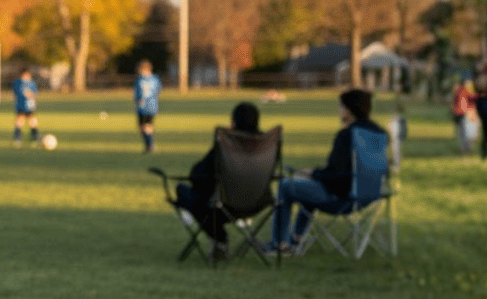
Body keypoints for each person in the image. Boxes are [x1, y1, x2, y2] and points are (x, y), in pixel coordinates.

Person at [266, 89, 383, 255]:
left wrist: (312, 173)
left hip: (342, 198)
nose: (339, 110)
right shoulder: (377, 133)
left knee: (286, 186)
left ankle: (279, 244)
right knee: (307, 187)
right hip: (367, 196)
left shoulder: (347, 135)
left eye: (341, 106)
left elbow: (336, 175)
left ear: (349, 109)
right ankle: (296, 239)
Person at [177, 101, 261, 260]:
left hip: (223, 205)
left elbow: (197, 175)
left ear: (234, 121)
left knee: (185, 192)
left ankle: (220, 240)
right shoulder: (265, 145)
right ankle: (220, 241)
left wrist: (220, 141)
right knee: (206, 200)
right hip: (256, 203)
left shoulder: (227, 143)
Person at [132, 60, 162, 154]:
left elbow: (137, 94)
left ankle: (149, 145)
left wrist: (137, 101)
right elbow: (158, 91)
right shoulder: (156, 79)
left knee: (144, 127)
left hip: (143, 106)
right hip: (153, 106)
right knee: (146, 127)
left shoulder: (140, 80)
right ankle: (150, 145)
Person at [449, 72, 478, 156]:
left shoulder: (463, 90)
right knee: (463, 131)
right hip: (461, 113)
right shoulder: (462, 90)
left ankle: (466, 148)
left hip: (463, 113)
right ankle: (465, 148)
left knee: (464, 132)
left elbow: (474, 99)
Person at [11, 67, 39, 146]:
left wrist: (31, 95)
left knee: (32, 122)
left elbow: (34, 94)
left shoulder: (32, 83)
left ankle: (34, 138)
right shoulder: (17, 83)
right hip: (21, 106)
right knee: (19, 121)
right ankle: (17, 138)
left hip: (30, 106)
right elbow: (17, 93)